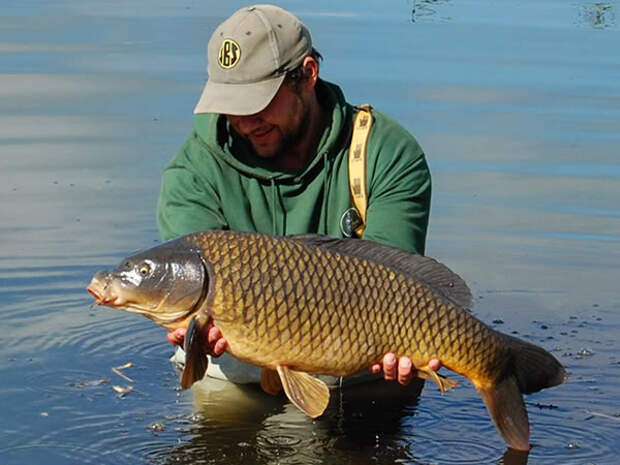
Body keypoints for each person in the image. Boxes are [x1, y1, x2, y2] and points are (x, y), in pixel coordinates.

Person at [157, 4, 440, 391]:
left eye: (257, 102)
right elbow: (187, 289)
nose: (243, 121)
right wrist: (194, 330)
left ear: (307, 75)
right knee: (219, 428)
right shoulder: (193, 168)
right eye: (231, 105)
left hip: (353, 356)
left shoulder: (386, 153)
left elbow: (398, 285)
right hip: (235, 359)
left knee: (325, 437)